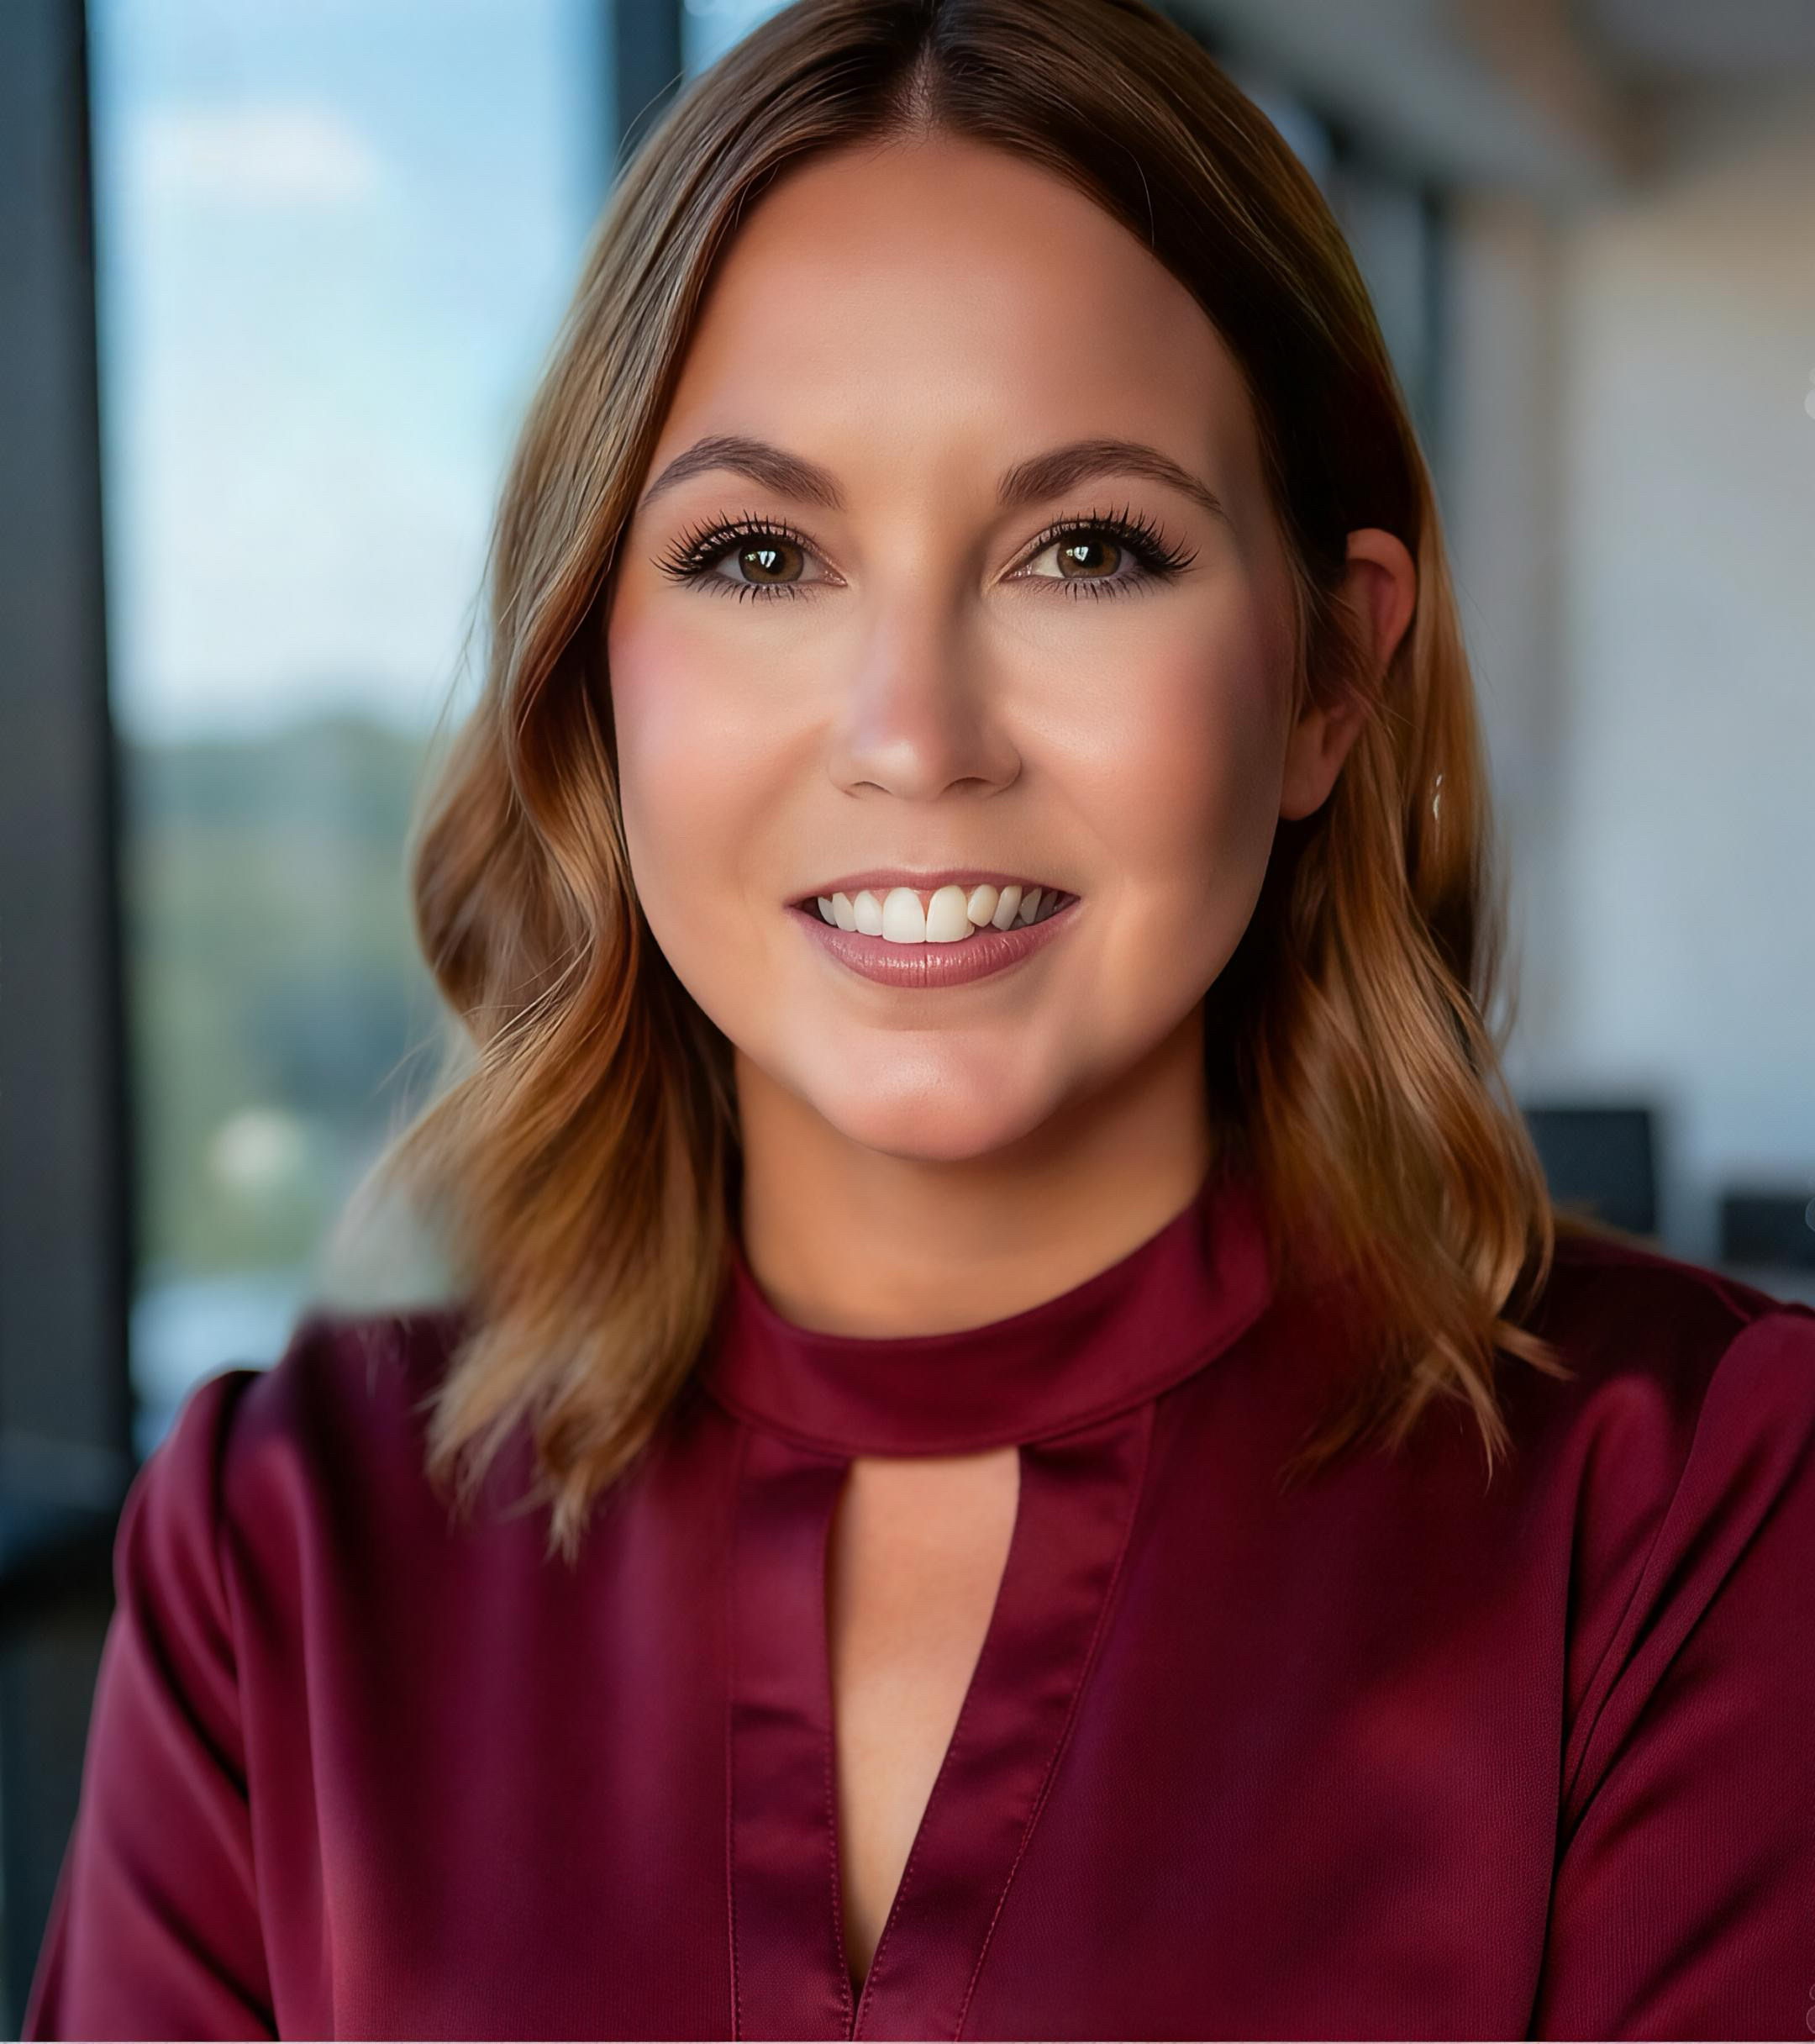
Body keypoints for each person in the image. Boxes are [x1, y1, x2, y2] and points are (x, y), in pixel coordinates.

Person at [24, 0, 1815, 2036]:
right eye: (761, 553)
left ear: (1328, 674)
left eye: (1087, 547)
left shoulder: (1702, 1509)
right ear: (593, 671)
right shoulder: (286, 1548)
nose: (914, 736)